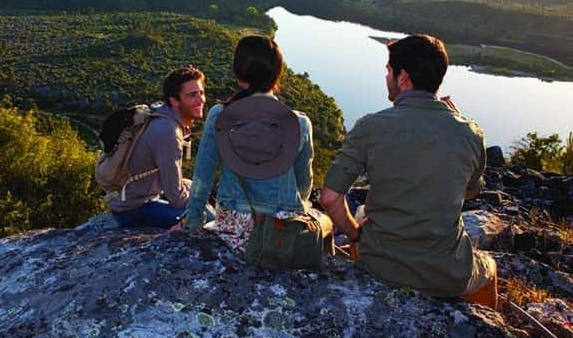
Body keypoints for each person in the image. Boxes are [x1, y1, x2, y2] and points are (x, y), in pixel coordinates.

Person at [320, 34, 497, 307]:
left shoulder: (371, 126)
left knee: (362, 214)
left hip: (380, 264)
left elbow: (330, 198)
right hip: (446, 272)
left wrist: (355, 234)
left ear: (403, 78)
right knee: (490, 268)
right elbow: (471, 190)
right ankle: (483, 333)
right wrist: (458, 122)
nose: (387, 77)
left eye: (389, 71)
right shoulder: (469, 133)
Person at [180, 36, 324, 256]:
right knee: (325, 222)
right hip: (281, 232)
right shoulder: (299, 123)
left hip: (234, 229)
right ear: (277, 73)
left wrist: (192, 222)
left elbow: (202, 177)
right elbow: (304, 183)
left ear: (239, 74)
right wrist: (298, 207)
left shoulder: (220, 115)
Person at [109, 65, 207, 229]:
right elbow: (176, 197)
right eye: (192, 95)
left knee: (191, 186)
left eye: (201, 93)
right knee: (204, 217)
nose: (201, 100)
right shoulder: (168, 132)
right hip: (133, 210)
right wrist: (200, 203)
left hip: (133, 198)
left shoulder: (161, 115)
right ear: (174, 101)